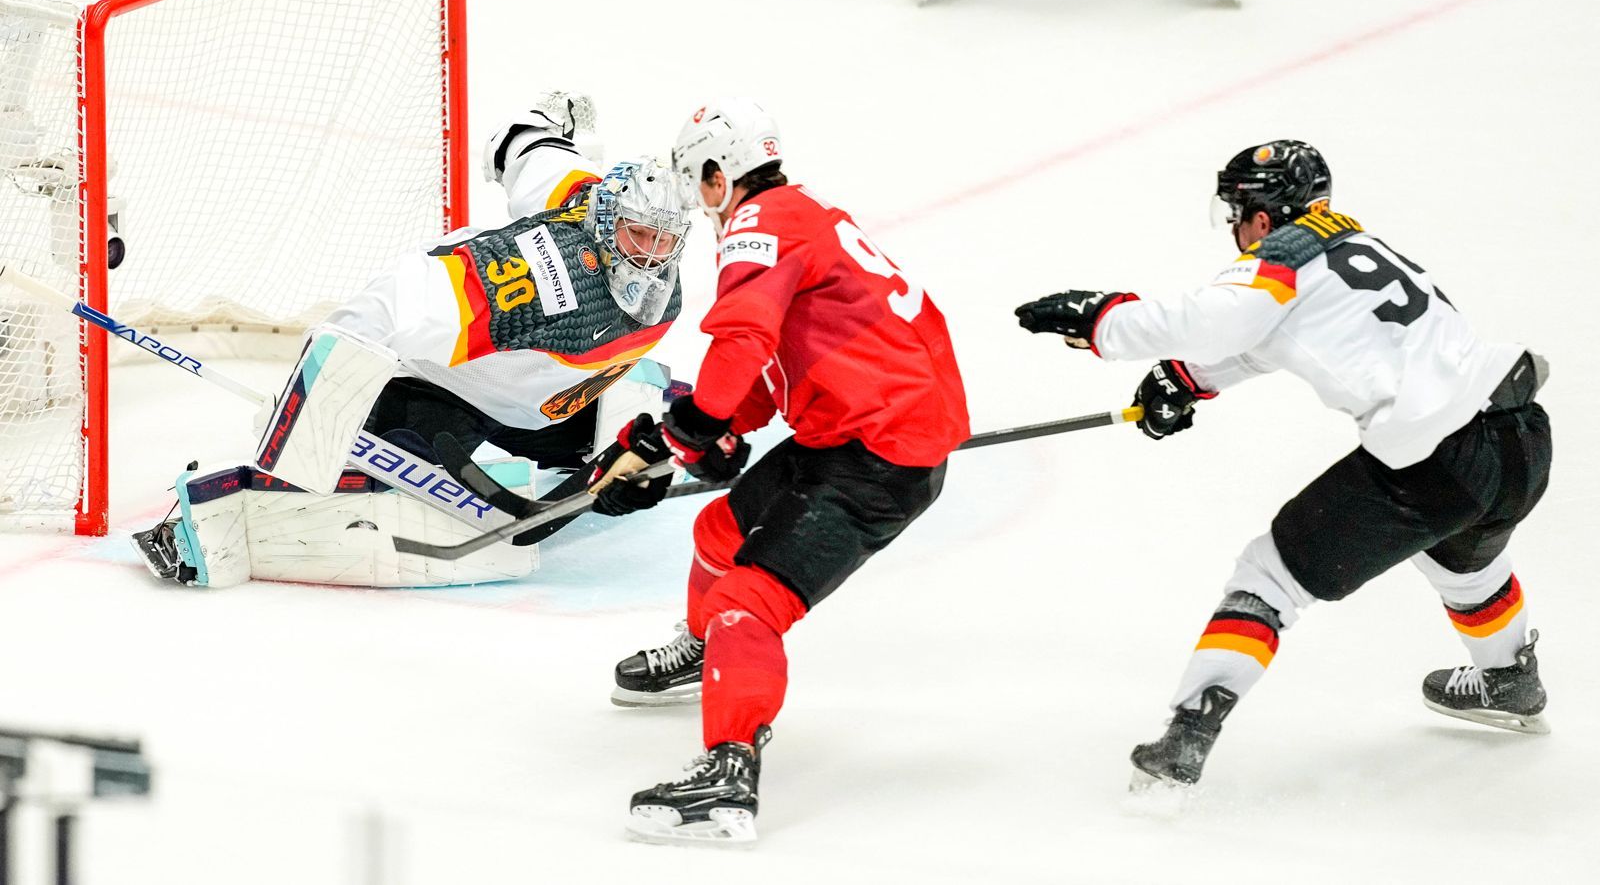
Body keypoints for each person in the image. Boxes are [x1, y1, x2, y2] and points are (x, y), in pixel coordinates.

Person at [1014, 140, 1553, 788]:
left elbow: (1218, 321)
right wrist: (1184, 380)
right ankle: (1510, 677)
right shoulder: (1357, 249)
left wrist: (1104, 319)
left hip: (1438, 458)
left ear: (1262, 217)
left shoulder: (1281, 260)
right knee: (1465, 560)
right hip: (1519, 436)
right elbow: (1270, 337)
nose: (1235, 231)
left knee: (1268, 577)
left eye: (1236, 215)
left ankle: (1185, 739)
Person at [587, 98, 970, 844]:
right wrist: (715, 428)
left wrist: (687, 428)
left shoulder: (758, 225)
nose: (701, 208)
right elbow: (780, 356)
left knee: (747, 603)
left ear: (715, 172)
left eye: (699, 185)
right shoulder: (805, 214)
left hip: (879, 452)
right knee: (718, 529)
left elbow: (743, 338)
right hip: (858, 428)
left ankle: (727, 774)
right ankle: (710, 656)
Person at [131, 94, 694, 589]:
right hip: (448, 387)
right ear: (603, 224)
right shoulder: (533, 281)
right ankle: (209, 522)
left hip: (547, 403)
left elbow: (528, 144)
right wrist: (314, 405)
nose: (651, 255)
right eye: (639, 234)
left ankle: (646, 397)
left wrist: (552, 119)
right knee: (370, 474)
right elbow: (387, 306)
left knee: (638, 433)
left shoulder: (598, 211)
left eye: (665, 240)